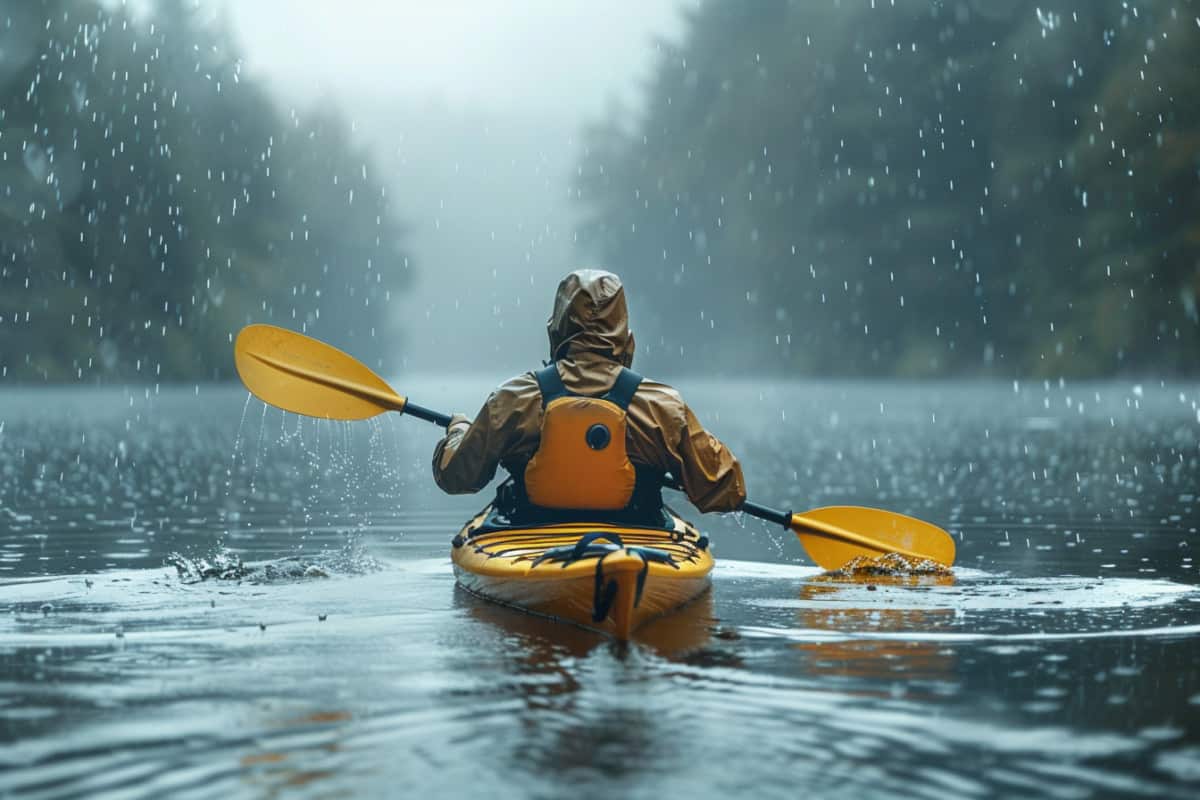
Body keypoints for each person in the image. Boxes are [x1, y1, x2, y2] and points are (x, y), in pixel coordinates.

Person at [432, 269, 745, 523]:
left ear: (556, 329)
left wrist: (458, 430)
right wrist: (685, 440)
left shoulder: (514, 399)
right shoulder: (661, 406)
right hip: (637, 543)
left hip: (531, 533)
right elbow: (725, 490)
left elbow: (457, 476)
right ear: (625, 336)